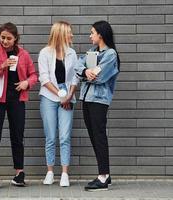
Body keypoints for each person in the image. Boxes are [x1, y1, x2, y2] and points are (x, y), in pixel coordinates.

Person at [0, 22, 38, 187]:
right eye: (2, 38)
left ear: (15, 39)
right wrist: (2, 66)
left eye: (9, 38)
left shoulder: (24, 54)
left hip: (17, 99)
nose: (5, 41)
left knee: (17, 136)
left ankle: (19, 173)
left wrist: (26, 84)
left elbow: (34, 75)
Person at [74, 20, 120, 191]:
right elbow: (78, 66)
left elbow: (100, 77)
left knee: (99, 136)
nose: (90, 35)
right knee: (94, 136)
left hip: (99, 100)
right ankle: (104, 174)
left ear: (100, 34)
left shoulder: (110, 55)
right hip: (86, 99)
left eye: (92, 32)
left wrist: (86, 73)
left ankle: (103, 176)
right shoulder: (92, 52)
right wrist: (86, 71)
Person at [38, 21, 79, 187]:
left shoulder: (72, 53)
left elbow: (76, 76)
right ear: (61, 34)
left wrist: (69, 95)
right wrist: (61, 95)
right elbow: (44, 78)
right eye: (69, 32)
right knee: (50, 137)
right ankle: (49, 172)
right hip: (49, 97)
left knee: (64, 136)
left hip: (68, 98)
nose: (72, 35)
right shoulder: (45, 53)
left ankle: (64, 174)